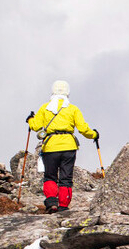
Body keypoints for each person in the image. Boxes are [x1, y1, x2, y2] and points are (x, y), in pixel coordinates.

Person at [26, 80, 98, 213]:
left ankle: (52, 203)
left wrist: (30, 119)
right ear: (67, 93)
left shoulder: (45, 108)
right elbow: (83, 129)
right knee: (66, 178)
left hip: (50, 147)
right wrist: (94, 135)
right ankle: (63, 206)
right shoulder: (73, 109)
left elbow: (35, 126)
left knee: (50, 176)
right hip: (69, 146)